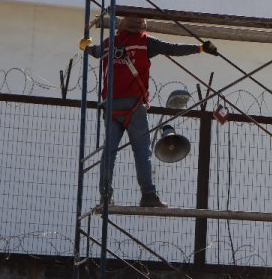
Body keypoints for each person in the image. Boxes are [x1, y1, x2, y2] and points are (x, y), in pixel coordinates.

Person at [80, 17, 218, 207]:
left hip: (111, 106)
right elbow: (173, 49)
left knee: (109, 152)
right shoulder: (144, 42)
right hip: (134, 107)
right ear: (141, 26)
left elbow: (93, 51)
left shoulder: (108, 44)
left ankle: (105, 197)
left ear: (122, 25)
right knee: (142, 152)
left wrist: (84, 46)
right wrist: (201, 48)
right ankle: (148, 195)